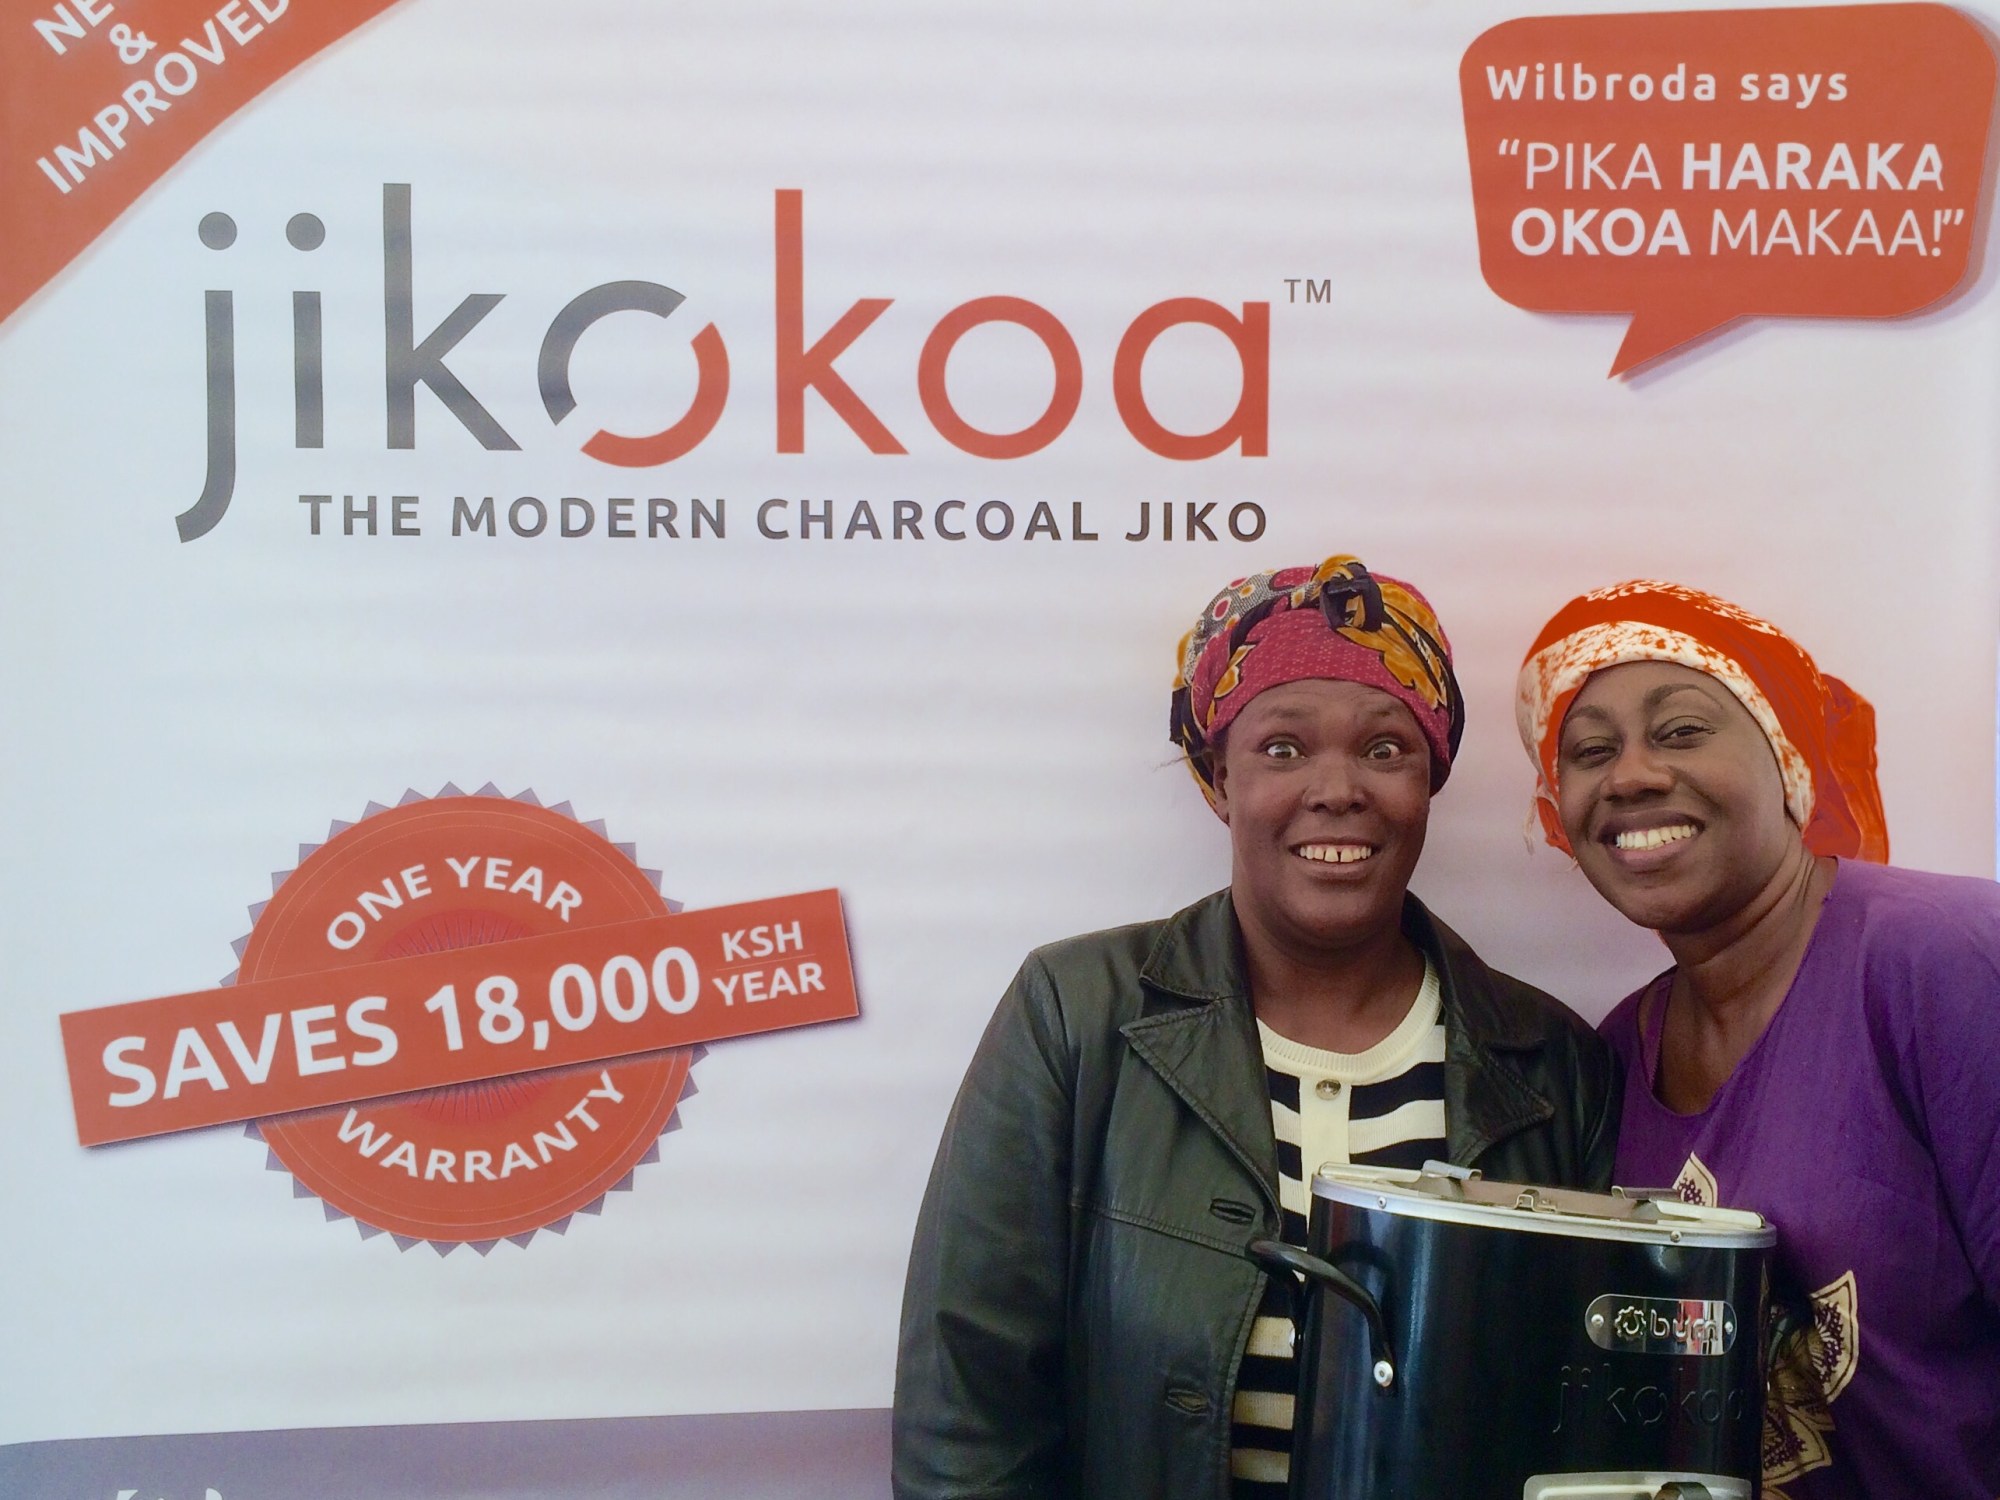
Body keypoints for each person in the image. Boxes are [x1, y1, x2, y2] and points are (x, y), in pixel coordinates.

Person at [894, 555, 1619, 1500]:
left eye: (1385, 749)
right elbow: (968, 1418)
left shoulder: (1554, 1063)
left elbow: (1589, 1426)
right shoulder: (1075, 1015)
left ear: (1430, 779)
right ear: (1217, 779)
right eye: (1282, 748)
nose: (1338, 788)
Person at [1516, 581, 2000, 1500]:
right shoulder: (1613, 1055)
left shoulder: (1947, 963)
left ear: (1787, 759)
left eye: (1682, 730)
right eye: (1590, 751)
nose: (1631, 776)